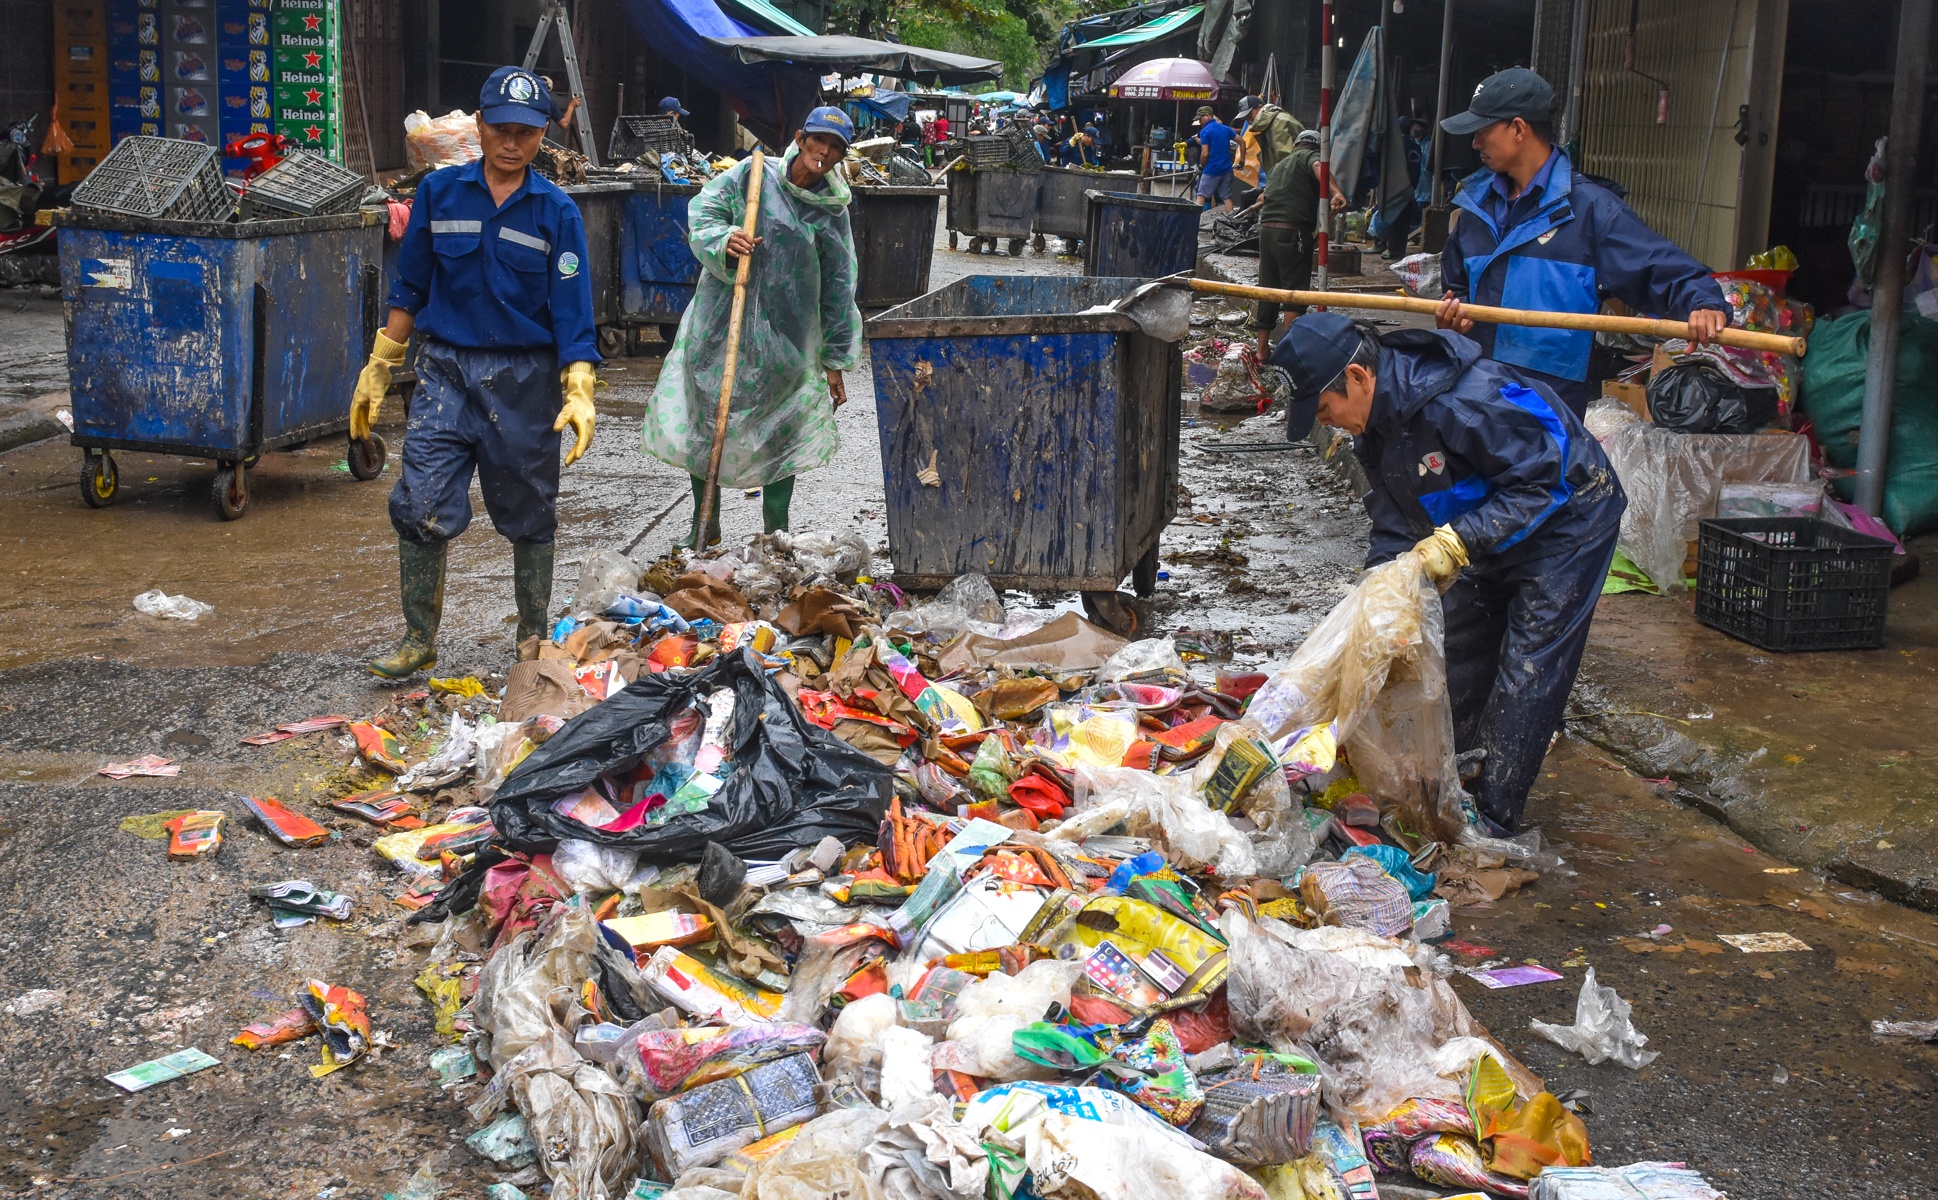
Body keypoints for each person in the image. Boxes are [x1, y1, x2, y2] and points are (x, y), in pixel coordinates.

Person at [1271, 310, 1625, 833]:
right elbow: (1396, 520)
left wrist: (1461, 540)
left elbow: (1545, 481)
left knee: (1526, 671)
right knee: (1454, 651)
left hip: (1568, 520)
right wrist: (1377, 590)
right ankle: (1448, 789)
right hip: (1479, 528)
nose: (1329, 424)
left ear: (1358, 377)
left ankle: (1493, 820)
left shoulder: (1466, 401)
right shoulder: (1373, 426)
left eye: (1326, 410)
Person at [350, 66, 598, 678]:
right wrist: (381, 365)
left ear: (543, 137)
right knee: (420, 500)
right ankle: (418, 639)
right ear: (479, 126)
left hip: (524, 378)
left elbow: (574, 313)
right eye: (501, 129)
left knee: (529, 508)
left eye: (527, 132)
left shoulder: (557, 213)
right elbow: (410, 288)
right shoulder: (438, 195)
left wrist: (580, 387)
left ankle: (531, 639)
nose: (512, 143)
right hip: (445, 373)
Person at [1436, 67, 1729, 416]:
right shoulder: (1474, 209)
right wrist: (1453, 317)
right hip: (1472, 402)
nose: (1474, 143)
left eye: (1483, 131)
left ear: (1517, 129)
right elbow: (1455, 289)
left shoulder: (1592, 211)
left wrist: (1704, 303)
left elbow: (1663, 270)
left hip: (1548, 413)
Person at [642, 107, 862, 548]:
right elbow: (703, 213)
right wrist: (726, 240)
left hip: (789, 338)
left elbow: (840, 287)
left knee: (784, 426)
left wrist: (835, 360)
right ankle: (704, 524)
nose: (825, 152)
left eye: (836, 147)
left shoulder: (832, 212)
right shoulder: (752, 174)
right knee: (707, 414)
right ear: (801, 139)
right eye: (819, 140)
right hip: (722, 320)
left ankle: (775, 532)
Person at [1253, 128, 1347, 356]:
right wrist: (1336, 192)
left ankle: (1262, 350)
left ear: (1296, 144)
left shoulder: (1279, 167)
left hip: (1266, 231)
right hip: (1291, 233)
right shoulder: (1309, 157)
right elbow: (1318, 166)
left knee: (1268, 289)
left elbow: (1263, 197)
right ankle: (1288, 353)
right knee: (1293, 293)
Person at [1189, 106, 1240, 213]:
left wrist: (1201, 166)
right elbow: (1242, 142)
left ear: (1207, 116)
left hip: (1212, 169)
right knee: (1226, 197)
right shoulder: (1225, 128)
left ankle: (1193, 222)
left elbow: (1205, 154)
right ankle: (1230, 222)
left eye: (1200, 118)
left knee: (1201, 196)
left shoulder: (1205, 131)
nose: (1199, 121)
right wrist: (1242, 161)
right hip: (1227, 169)